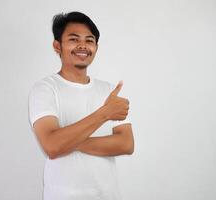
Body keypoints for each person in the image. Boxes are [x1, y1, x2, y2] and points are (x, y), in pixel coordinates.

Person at [28, 11, 134, 200]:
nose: (83, 46)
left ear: (96, 47)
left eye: (89, 40)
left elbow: (126, 144)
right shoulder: (44, 89)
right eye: (74, 39)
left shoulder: (109, 90)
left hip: (108, 195)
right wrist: (104, 113)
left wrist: (69, 143)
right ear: (57, 46)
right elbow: (52, 146)